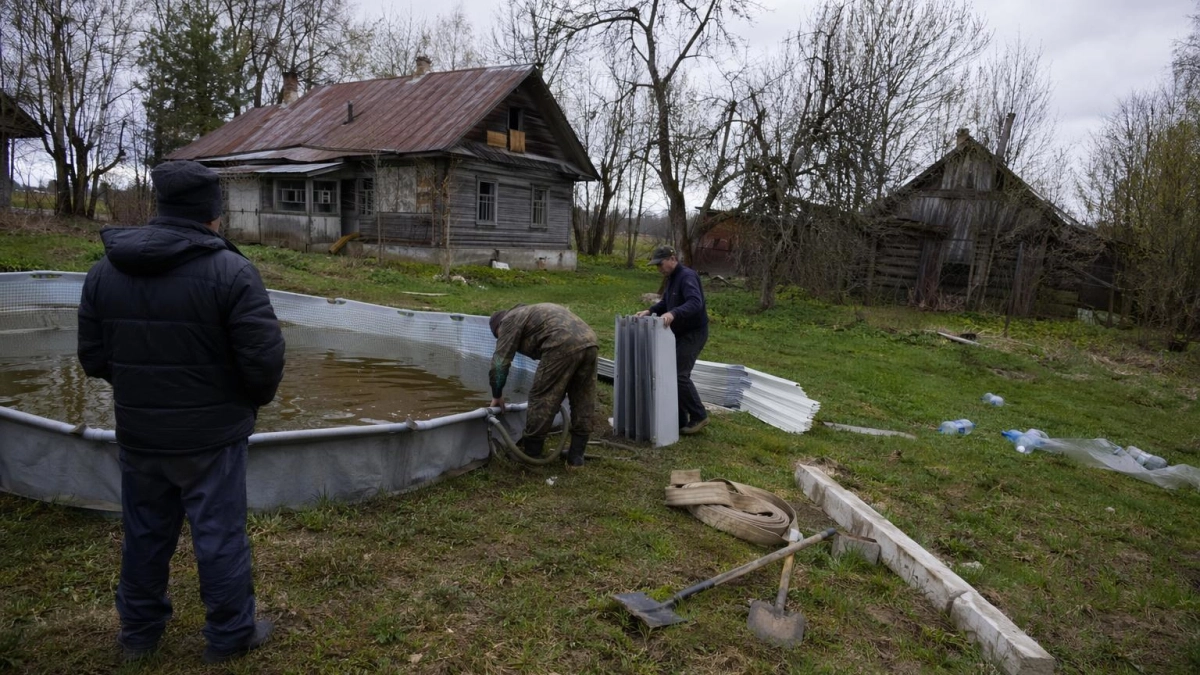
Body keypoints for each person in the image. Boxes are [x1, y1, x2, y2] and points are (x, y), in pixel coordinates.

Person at [77, 160, 285, 664]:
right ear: (213, 214)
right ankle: (231, 634)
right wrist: (241, 403)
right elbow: (264, 363)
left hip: (140, 432)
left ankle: (139, 634)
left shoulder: (104, 270)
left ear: (161, 207)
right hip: (211, 439)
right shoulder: (233, 271)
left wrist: (141, 390)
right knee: (218, 536)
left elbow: (94, 357)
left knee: (144, 532)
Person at [489, 303, 599, 468]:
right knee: (583, 396)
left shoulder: (507, 322)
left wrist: (497, 395)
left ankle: (531, 453)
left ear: (498, 327)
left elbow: (499, 363)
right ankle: (576, 457)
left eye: (498, 337)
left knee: (543, 396)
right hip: (590, 340)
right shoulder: (528, 313)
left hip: (561, 343)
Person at [636, 245, 710, 435]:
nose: (659, 269)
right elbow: (666, 302)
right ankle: (679, 420)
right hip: (679, 332)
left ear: (672, 259)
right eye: (656, 266)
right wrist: (651, 311)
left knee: (679, 374)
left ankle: (699, 415)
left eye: (660, 264)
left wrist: (674, 313)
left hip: (694, 332)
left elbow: (695, 302)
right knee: (671, 373)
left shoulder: (687, 276)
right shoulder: (671, 279)